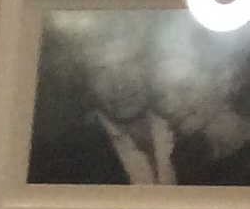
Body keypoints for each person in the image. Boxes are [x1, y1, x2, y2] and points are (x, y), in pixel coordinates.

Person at [28, 14, 173, 185]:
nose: (119, 84)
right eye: (100, 71)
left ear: (150, 63)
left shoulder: (191, 131)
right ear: (84, 78)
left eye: (128, 63)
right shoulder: (63, 158)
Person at [153, 20, 250, 186]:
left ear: (225, 79)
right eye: (162, 95)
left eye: (183, 88)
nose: (169, 105)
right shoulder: (186, 155)